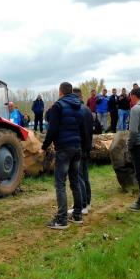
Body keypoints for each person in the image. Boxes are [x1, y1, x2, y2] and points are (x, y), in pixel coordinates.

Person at [41, 82, 86, 230]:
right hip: (77, 148)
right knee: (75, 181)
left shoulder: (58, 106)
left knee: (60, 183)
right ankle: (78, 215)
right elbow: (81, 128)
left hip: (64, 149)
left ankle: (61, 220)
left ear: (60, 92)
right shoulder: (79, 106)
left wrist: (44, 146)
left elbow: (52, 129)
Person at [68, 88, 93, 216]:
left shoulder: (78, 110)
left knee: (79, 177)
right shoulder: (88, 110)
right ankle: (87, 202)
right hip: (87, 146)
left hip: (80, 147)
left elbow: (81, 131)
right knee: (85, 175)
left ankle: (83, 204)